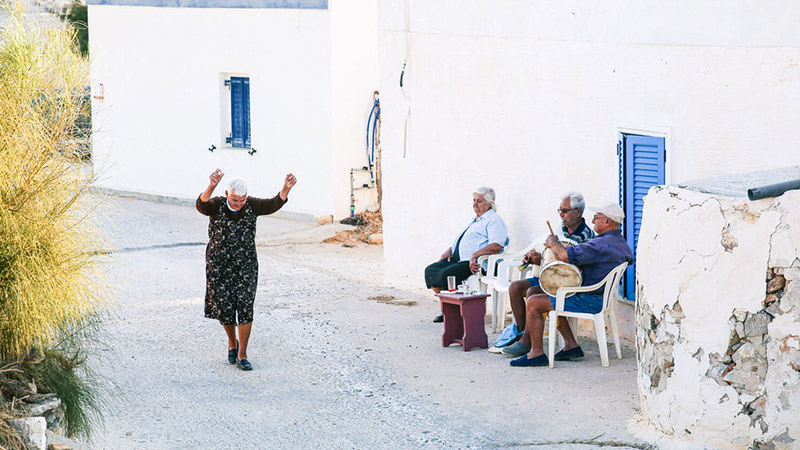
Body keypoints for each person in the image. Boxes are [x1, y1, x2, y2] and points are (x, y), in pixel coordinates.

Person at [509, 203, 633, 367]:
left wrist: (554, 242)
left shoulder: (601, 244)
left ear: (607, 221)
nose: (593, 221)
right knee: (535, 291)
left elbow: (565, 255)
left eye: (596, 217)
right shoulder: (620, 243)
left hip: (589, 299)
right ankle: (570, 345)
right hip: (598, 296)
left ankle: (536, 353)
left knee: (534, 302)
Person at [196, 169, 297, 371]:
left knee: (245, 306)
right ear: (227, 194)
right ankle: (232, 343)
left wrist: (286, 188)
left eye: (242, 200)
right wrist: (211, 186)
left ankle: (242, 354)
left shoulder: (251, 205)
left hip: (246, 265)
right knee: (224, 307)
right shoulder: (217, 205)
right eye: (234, 200)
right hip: (219, 265)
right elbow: (201, 205)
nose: (238, 204)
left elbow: (272, 204)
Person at [500, 192, 595, 357]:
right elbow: (550, 256)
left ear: (578, 212)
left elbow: (575, 266)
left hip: (567, 281)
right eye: (560, 210)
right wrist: (537, 258)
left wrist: (555, 250)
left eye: (564, 211)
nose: (561, 215)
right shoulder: (560, 229)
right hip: (550, 275)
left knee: (534, 293)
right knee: (516, 287)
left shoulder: (586, 236)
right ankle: (523, 335)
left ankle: (527, 342)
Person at [424, 187, 509, 322]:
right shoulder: (476, 219)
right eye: (474, 200)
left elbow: (496, 245)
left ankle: (452, 312)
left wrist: (475, 255)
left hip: (477, 263)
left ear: (489, 203)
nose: (475, 204)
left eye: (479, 201)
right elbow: (468, 240)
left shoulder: (494, 220)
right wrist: (451, 249)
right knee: (431, 271)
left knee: (447, 275)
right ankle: (450, 308)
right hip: (459, 259)